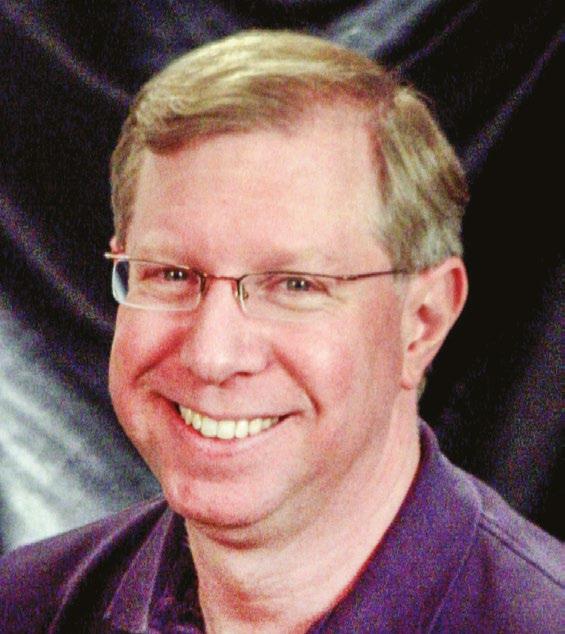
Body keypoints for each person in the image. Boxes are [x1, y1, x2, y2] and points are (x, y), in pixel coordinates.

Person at [0, 29, 562, 633]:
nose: (212, 355)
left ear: (421, 322)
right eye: (170, 274)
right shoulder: (23, 607)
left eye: (295, 285)